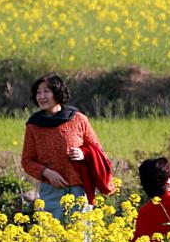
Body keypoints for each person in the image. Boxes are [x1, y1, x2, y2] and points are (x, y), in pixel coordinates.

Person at [21, 74, 112, 221]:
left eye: (46, 91)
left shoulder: (78, 119)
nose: (41, 96)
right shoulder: (34, 125)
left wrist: (84, 153)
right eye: (38, 92)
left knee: (80, 237)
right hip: (51, 191)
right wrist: (47, 173)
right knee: (53, 238)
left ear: (57, 93)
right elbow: (27, 161)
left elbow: (98, 151)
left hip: (80, 189)